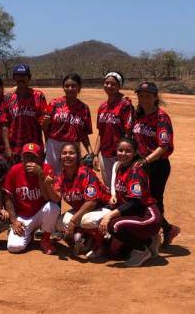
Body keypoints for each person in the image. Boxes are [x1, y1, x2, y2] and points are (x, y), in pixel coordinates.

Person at [99, 137, 162, 267]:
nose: (123, 153)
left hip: (148, 216)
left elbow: (135, 203)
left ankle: (142, 250)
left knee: (113, 226)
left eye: (128, 151)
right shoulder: (120, 166)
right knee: (114, 252)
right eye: (120, 150)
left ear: (135, 152)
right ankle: (149, 241)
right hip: (135, 214)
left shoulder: (135, 170)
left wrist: (109, 215)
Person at [131, 81, 180, 247]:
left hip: (157, 165)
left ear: (155, 97)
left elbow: (163, 146)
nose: (144, 99)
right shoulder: (138, 115)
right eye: (141, 96)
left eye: (147, 96)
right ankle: (166, 229)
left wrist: (146, 160)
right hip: (140, 164)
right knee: (140, 199)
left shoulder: (161, 117)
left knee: (155, 201)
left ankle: (156, 233)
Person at [49, 142, 109, 258]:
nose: (67, 156)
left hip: (103, 207)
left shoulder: (85, 172)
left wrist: (73, 221)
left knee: (86, 220)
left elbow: (92, 202)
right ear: (60, 156)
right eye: (64, 153)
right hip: (84, 210)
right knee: (60, 223)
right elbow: (56, 197)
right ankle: (85, 238)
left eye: (71, 153)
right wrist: (47, 184)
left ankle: (101, 244)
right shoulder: (61, 176)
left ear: (78, 156)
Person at [3, 143, 61, 254]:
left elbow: (51, 198)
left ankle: (45, 239)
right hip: (23, 217)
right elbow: (8, 197)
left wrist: (41, 175)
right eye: (26, 157)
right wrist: (14, 221)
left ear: (40, 159)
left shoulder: (47, 169)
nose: (29, 161)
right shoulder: (15, 170)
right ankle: (29, 235)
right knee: (14, 247)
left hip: (41, 214)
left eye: (33, 157)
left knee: (53, 207)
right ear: (22, 158)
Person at [42, 72, 93, 174]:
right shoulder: (54, 103)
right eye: (67, 86)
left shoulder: (84, 108)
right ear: (63, 87)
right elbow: (44, 128)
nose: (70, 88)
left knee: (71, 175)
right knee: (50, 174)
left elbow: (83, 133)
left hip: (73, 146)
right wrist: (45, 125)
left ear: (79, 88)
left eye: (73, 86)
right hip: (54, 145)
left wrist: (91, 152)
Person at [91, 71, 134, 187]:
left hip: (120, 154)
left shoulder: (125, 105)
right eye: (107, 83)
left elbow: (128, 132)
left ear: (120, 86)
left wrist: (124, 155)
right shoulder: (102, 107)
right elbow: (101, 133)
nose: (109, 86)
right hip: (105, 154)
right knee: (109, 186)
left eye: (113, 84)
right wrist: (95, 154)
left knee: (121, 186)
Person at [5, 64, 47, 162]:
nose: (21, 78)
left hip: (34, 145)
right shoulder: (8, 97)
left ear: (29, 77)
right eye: (18, 76)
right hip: (15, 146)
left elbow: (44, 123)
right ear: (14, 78)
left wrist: (47, 145)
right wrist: (7, 147)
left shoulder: (38, 96)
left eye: (24, 76)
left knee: (34, 170)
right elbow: (5, 124)